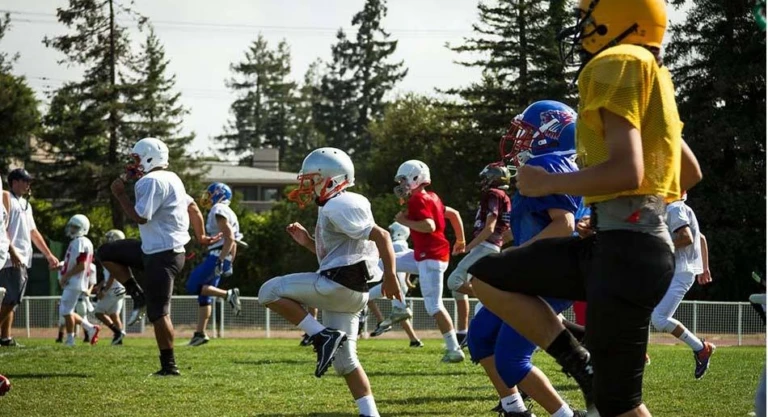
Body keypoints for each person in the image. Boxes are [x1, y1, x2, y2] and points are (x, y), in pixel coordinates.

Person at [469, 1, 704, 415]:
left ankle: (583, 363)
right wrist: (626, 211)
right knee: (487, 276)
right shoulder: (653, 73)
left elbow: (629, 172)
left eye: (588, 16)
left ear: (616, 18)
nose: (581, 26)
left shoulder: (614, 63)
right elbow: (689, 173)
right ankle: (582, 363)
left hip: (625, 254)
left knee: (621, 406)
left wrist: (549, 183)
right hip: (630, 247)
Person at [258, 147, 402, 417]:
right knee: (346, 362)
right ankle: (370, 414)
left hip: (338, 286)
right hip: (352, 290)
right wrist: (307, 243)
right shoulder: (343, 204)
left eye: (313, 180)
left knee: (269, 291)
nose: (309, 186)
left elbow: (382, 235)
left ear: (332, 179)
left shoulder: (339, 204)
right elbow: (340, 255)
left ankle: (321, 335)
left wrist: (392, 276)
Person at [469, 101, 586, 417]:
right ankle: (514, 408)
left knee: (511, 360)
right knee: (480, 338)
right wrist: (507, 245)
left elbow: (564, 224)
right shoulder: (553, 164)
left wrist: (512, 259)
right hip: (536, 271)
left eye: (527, 132)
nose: (519, 139)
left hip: (547, 276)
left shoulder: (548, 164)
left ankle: (566, 414)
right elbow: (541, 223)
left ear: (550, 133)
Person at [108, 137, 220, 375]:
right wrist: (200, 237)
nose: (134, 165)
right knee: (107, 252)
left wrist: (120, 194)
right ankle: (136, 293)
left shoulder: (150, 181)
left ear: (150, 158)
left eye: (137, 160)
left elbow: (141, 217)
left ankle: (169, 366)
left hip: (162, 255)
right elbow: (193, 208)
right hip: (159, 250)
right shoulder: (173, 178)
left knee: (159, 313)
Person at [393, 159, 466, 363]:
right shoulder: (431, 197)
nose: (402, 185)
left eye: (404, 180)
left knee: (434, 306)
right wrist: (460, 239)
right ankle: (399, 307)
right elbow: (454, 213)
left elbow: (428, 226)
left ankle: (454, 349)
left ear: (415, 178)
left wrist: (403, 220)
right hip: (427, 254)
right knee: (384, 261)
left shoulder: (419, 200)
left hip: (430, 256)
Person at [650, 193, 714, 378]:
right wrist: (705, 268)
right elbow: (700, 237)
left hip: (679, 273)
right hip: (674, 271)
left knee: (659, 319)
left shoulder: (675, 208)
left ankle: (701, 348)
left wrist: (660, 246)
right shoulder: (677, 208)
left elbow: (687, 237)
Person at [0, 168, 59, 347]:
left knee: (11, 300)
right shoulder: (6, 198)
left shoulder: (26, 204)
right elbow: (3, 228)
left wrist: (49, 255)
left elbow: (33, 232)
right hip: (11, 257)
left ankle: (5, 338)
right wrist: (12, 252)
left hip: (23, 257)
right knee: (11, 299)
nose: (28, 184)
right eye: (25, 180)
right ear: (14, 181)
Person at [186, 182, 243, 347]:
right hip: (222, 255)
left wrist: (220, 261)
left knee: (192, 285)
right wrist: (230, 260)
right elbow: (234, 240)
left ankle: (228, 295)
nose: (207, 198)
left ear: (218, 194)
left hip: (217, 255)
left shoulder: (218, 209)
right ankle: (200, 333)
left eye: (210, 194)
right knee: (205, 297)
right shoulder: (229, 211)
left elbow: (230, 237)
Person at [366, 222, 423, 348]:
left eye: (392, 231)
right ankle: (414, 340)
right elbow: (406, 261)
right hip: (399, 282)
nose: (390, 233)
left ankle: (381, 321)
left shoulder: (397, 245)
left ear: (399, 232)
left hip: (396, 282)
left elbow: (395, 261)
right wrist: (408, 279)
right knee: (399, 314)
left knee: (365, 297)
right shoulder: (403, 244)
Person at [57, 214, 101, 347]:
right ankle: (90, 328)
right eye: (72, 226)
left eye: (75, 227)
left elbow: (81, 265)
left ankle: (71, 339)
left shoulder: (81, 242)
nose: (72, 229)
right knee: (66, 310)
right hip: (75, 281)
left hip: (75, 281)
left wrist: (66, 276)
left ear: (83, 228)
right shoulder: (80, 241)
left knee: (66, 311)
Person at [94, 229, 128, 345]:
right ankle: (119, 341)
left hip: (114, 288)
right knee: (114, 315)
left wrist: (104, 290)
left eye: (109, 238)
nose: (107, 240)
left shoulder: (114, 254)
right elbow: (108, 275)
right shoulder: (121, 254)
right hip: (120, 288)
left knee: (98, 312)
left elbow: (113, 274)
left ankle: (118, 332)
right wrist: (100, 285)